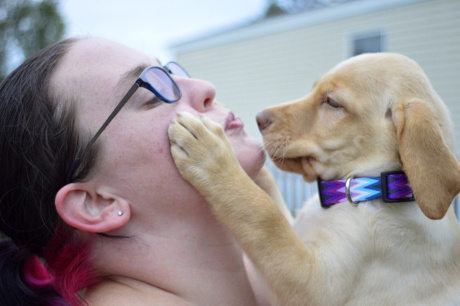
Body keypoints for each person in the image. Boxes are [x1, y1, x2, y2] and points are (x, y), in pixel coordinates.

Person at [0, 37, 277, 305]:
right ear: (96, 203)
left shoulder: (297, 272)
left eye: (170, 72)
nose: (206, 87)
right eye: (153, 94)